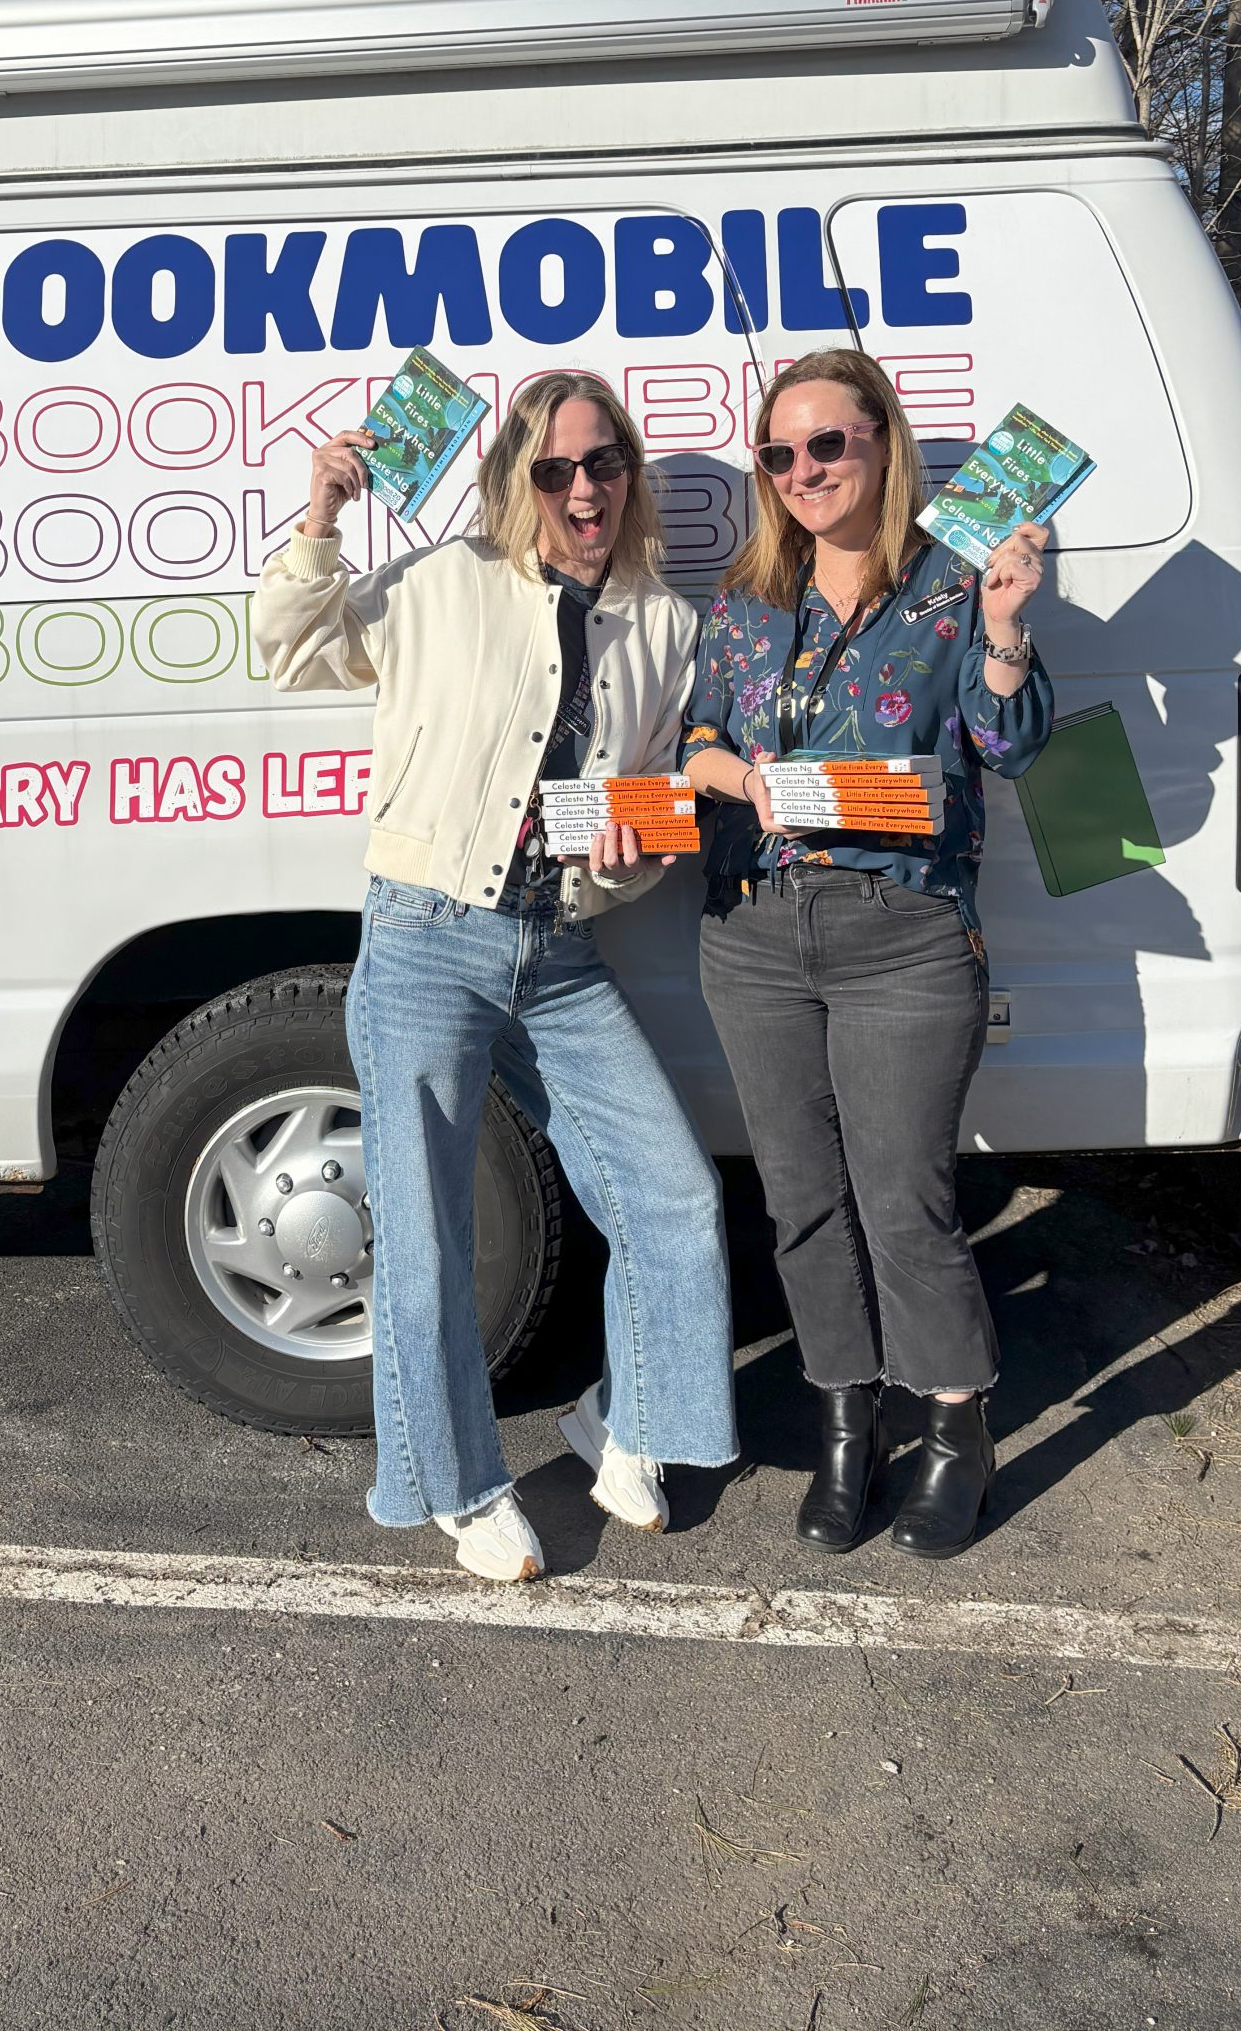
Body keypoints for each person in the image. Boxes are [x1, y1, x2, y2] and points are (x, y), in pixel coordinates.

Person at [253, 372, 738, 1583]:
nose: (585, 490)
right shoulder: (446, 581)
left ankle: (625, 1428)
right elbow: (291, 649)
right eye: (557, 469)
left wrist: (630, 855)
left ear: (629, 475)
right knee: (424, 1233)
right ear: (516, 479)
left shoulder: (665, 624)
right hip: (425, 934)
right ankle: (456, 1484)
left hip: (562, 951)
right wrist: (319, 515)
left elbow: (652, 813)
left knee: (671, 1195)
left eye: (605, 465)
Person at [681, 349, 1052, 1560]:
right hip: (752, 931)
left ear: (883, 444)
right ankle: (848, 1423)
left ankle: (955, 1425)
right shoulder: (743, 601)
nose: (802, 472)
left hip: (903, 935)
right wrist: (749, 781)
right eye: (779, 454)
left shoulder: (952, 589)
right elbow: (694, 738)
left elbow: (1009, 747)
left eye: (827, 445)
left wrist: (1004, 630)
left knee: (905, 1203)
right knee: (799, 1200)